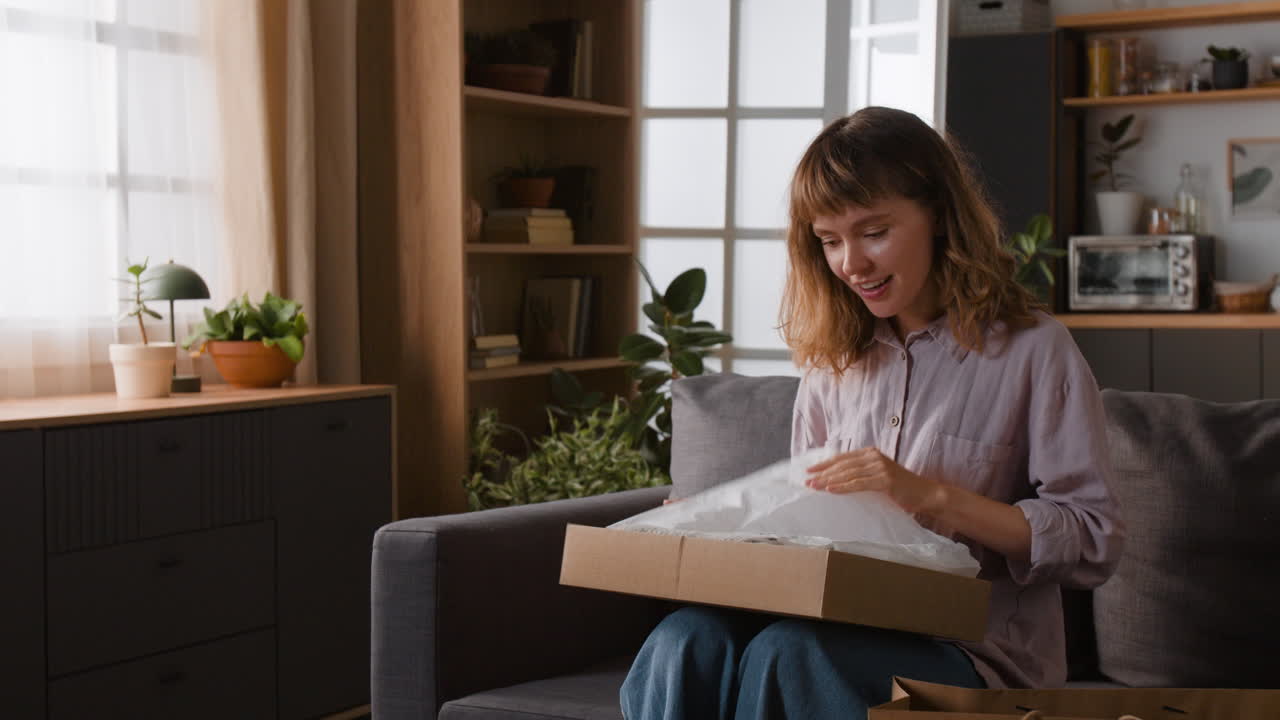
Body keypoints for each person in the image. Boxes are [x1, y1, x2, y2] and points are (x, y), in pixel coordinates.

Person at [619, 106, 1125, 720]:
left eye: (873, 231)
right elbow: (805, 529)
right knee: (685, 639)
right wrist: (716, 526)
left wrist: (930, 495)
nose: (851, 264)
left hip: (977, 655)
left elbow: (1093, 539)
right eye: (830, 241)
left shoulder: (1033, 350)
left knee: (793, 653)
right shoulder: (834, 366)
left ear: (938, 214)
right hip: (836, 626)